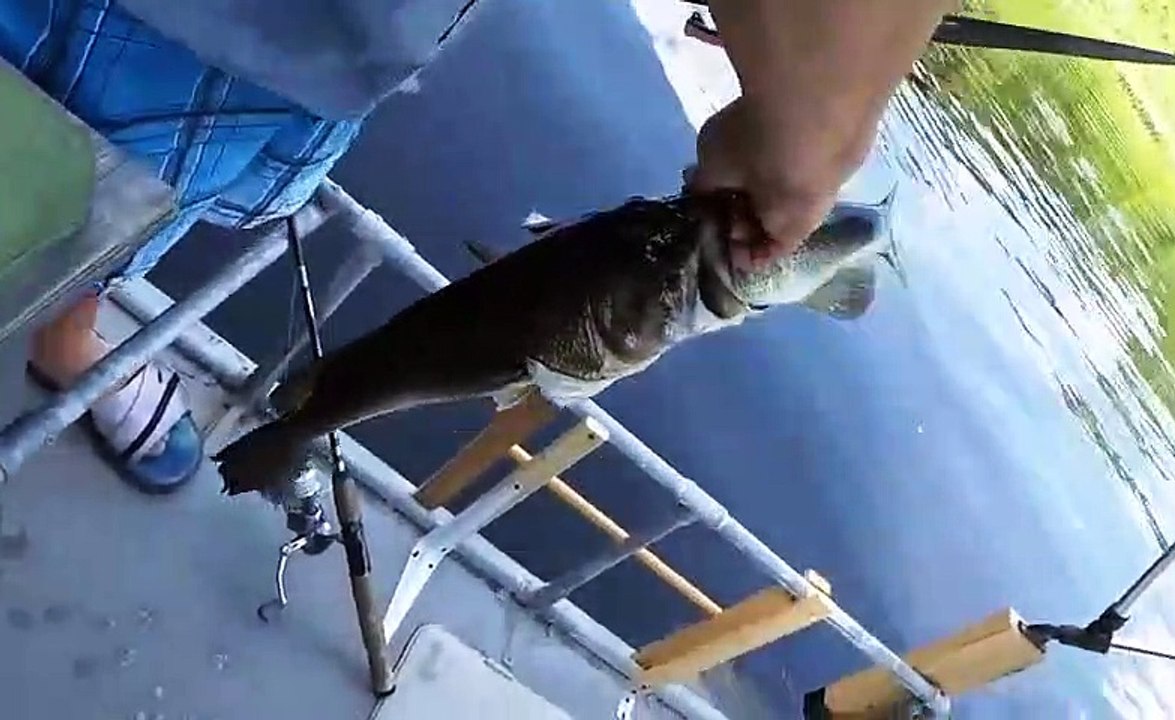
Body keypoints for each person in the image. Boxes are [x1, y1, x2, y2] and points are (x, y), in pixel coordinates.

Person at [1, 0, 956, 494]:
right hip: (188, 18)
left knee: (147, 197)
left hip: (337, 47)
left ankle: (68, 343)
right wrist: (815, 128)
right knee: (56, 166)